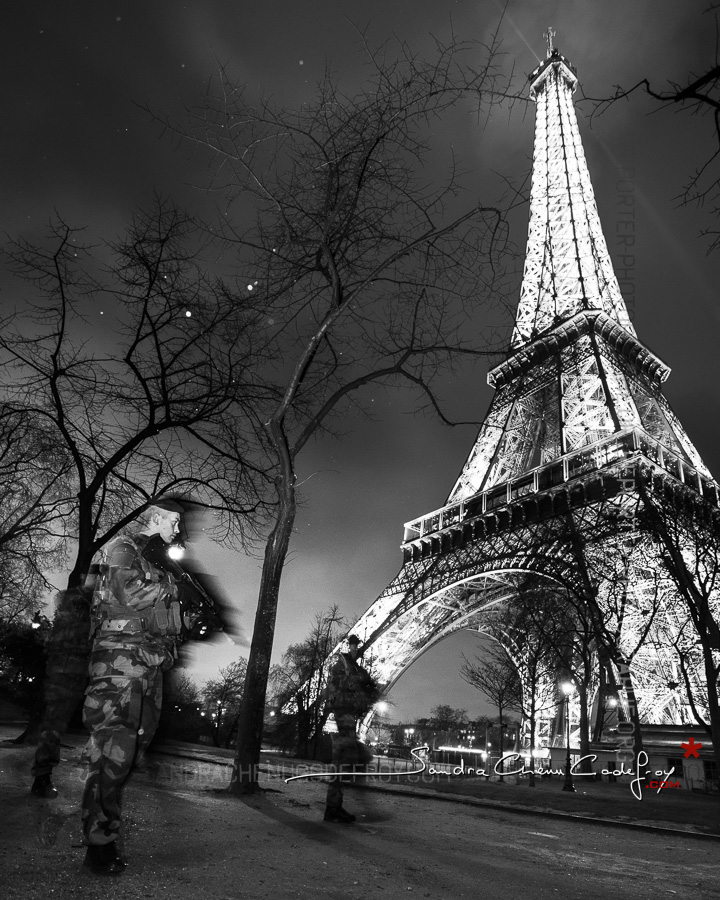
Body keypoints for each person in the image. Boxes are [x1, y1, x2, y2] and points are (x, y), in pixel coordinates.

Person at [80, 498, 185, 875]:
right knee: (113, 753)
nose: (178, 528)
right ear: (155, 517)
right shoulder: (124, 547)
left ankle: (102, 823)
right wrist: (174, 592)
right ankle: (99, 843)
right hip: (118, 665)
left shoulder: (157, 557)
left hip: (149, 665)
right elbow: (129, 592)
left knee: (130, 753)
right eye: (174, 520)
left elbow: (162, 617)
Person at [323, 634, 378, 824]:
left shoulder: (354, 668)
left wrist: (367, 690)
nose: (355, 649)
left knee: (346, 759)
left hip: (348, 715)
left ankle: (335, 806)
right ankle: (334, 807)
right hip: (341, 715)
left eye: (357, 646)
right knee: (346, 758)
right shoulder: (342, 665)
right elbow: (336, 687)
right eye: (352, 645)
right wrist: (360, 683)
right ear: (348, 646)